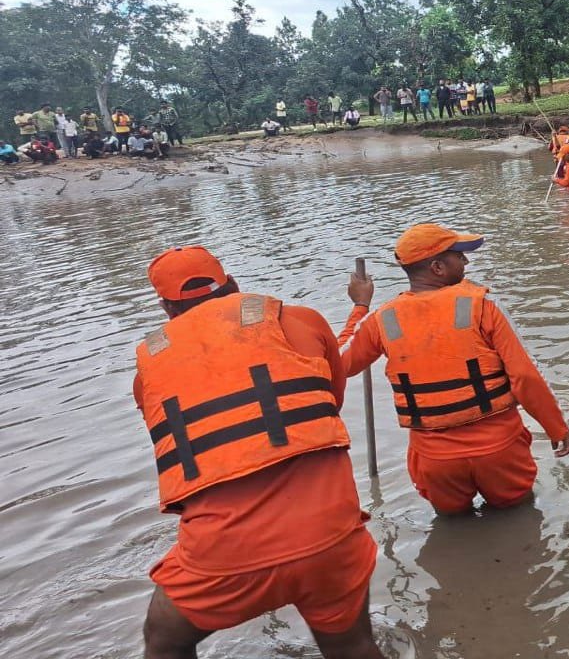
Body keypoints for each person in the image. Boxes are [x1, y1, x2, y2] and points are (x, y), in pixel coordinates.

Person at [132, 246, 384, 658]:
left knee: (164, 640)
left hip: (222, 554)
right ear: (232, 284)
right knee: (354, 646)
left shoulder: (148, 370)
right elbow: (329, 399)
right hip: (328, 534)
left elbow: (182, 446)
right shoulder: (301, 320)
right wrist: (359, 307)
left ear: (166, 308)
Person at [339, 224, 569, 515]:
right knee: (520, 515)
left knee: (452, 522)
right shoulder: (483, 305)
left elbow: (337, 364)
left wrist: (360, 306)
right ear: (437, 267)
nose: (466, 261)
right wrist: (555, 427)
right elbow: (525, 376)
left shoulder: (381, 320)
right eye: (458, 255)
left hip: (435, 461)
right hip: (500, 450)